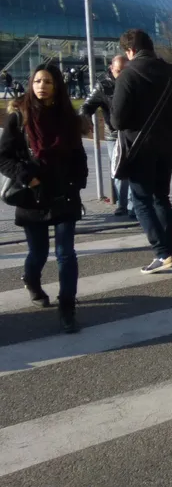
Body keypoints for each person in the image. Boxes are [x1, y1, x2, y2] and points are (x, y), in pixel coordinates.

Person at [0, 64, 88, 332]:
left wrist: (78, 182)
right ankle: (32, 280)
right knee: (37, 253)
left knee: (65, 254)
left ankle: (67, 307)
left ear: (57, 86)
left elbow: (78, 154)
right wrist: (28, 177)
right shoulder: (20, 116)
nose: (41, 86)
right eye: (37, 81)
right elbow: (4, 157)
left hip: (63, 193)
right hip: (32, 194)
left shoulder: (68, 118)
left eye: (47, 81)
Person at [111, 29, 172, 275]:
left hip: (138, 148)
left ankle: (161, 252)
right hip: (167, 146)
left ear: (130, 51)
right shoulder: (171, 74)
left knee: (141, 201)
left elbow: (116, 120)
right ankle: (169, 249)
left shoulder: (127, 75)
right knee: (161, 198)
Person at [83, 55, 132, 215]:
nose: (122, 75)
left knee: (134, 169)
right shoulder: (103, 86)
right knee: (118, 169)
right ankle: (122, 204)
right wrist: (85, 120)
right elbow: (87, 106)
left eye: (126, 71)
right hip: (114, 134)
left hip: (133, 132)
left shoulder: (135, 82)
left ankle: (133, 206)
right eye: (119, 71)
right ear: (111, 69)